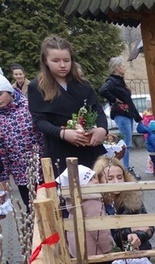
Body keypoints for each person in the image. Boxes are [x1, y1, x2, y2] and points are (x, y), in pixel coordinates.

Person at [27, 35, 108, 177]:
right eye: (56, 61)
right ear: (45, 61)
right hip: (59, 150)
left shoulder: (83, 84)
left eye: (66, 60)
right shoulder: (36, 87)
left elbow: (97, 109)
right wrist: (63, 133)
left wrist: (102, 129)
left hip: (89, 148)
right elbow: (39, 121)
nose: (62, 65)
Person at [94, 156, 155, 264]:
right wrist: (130, 231)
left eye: (119, 177)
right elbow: (106, 235)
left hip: (131, 244)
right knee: (114, 256)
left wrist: (138, 235)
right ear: (99, 180)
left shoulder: (132, 196)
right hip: (107, 247)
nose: (116, 182)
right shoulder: (96, 202)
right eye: (110, 178)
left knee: (140, 246)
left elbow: (149, 227)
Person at [56, 164, 114, 264]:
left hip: (79, 245)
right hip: (91, 246)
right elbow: (99, 229)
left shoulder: (74, 202)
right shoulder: (93, 202)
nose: (97, 181)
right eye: (92, 179)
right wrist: (108, 246)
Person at [0, 74, 43, 210]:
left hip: (42, 168)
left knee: (49, 206)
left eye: (0, 94)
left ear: (9, 91)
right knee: (31, 209)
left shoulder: (29, 107)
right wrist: (4, 177)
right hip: (20, 173)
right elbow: (2, 151)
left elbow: (43, 134)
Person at [98, 56, 143, 179]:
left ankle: (125, 168)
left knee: (126, 143)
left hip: (126, 114)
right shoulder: (113, 80)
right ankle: (125, 170)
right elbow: (102, 90)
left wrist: (137, 117)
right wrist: (114, 100)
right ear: (117, 68)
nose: (124, 68)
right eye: (123, 66)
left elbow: (128, 100)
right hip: (121, 114)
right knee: (125, 144)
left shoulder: (119, 81)